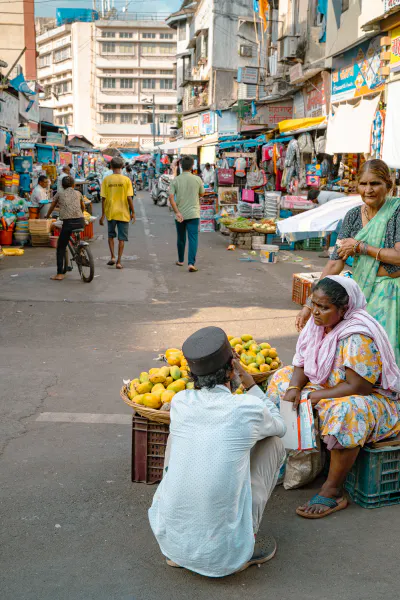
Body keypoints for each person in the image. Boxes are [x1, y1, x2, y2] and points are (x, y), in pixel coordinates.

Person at [149, 326, 286, 577]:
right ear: (232, 369)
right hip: (225, 557)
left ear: (191, 374)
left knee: (182, 440)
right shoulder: (247, 407)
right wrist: (251, 384)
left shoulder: (180, 402)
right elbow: (280, 426)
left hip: (171, 542)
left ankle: (184, 550)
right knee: (274, 443)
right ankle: (248, 539)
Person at [270, 276, 400, 518]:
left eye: (324, 307)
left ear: (344, 309)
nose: (316, 313)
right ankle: (300, 457)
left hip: (371, 399)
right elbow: (301, 361)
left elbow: (359, 387)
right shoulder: (318, 324)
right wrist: (295, 389)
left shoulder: (357, 335)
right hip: (330, 385)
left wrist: (317, 395)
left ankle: (333, 491)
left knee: (347, 411)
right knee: (282, 379)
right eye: (314, 305)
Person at [296, 159, 400, 363]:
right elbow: (335, 263)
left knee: (386, 353)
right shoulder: (352, 216)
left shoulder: (397, 212)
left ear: (388, 185)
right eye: (363, 183)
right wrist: (310, 305)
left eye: (375, 183)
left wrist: (361, 247)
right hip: (361, 294)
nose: (368, 190)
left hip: (391, 295)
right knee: (360, 353)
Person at [45, 176, 85, 281]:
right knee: (76, 234)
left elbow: (52, 206)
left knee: (60, 247)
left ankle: (59, 274)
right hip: (81, 221)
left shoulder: (59, 193)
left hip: (68, 223)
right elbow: (83, 206)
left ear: (62, 185)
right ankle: (80, 250)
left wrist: (47, 215)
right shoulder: (78, 193)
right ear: (73, 185)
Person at [169, 155, 205, 272]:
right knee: (193, 238)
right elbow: (202, 194)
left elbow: (171, 197)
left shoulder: (176, 180)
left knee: (181, 238)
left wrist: (177, 212)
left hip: (180, 214)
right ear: (192, 166)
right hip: (194, 213)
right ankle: (191, 263)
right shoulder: (197, 179)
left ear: (180, 166)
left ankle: (180, 260)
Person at [100, 156, 135, 270]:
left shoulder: (107, 180)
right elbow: (129, 198)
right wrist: (133, 212)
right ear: (122, 167)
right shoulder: (126, 180)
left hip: (111, 212)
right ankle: (119, 262)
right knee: (121, 238)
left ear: (111, 167)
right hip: (123, 213)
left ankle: (113, 256)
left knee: (111, 236)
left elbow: (103, 198)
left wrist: (103, 215)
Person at [307, 188, 347, 258]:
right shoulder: (322, 195)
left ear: (314, 197)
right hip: (340, 209)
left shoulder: (321, 198)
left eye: (312, 200)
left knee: (336, 230)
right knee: (334, 231)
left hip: (343, 209)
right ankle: (331, 250)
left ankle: (331, 250)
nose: (313, 202)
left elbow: (324, 212)